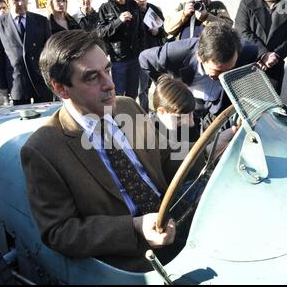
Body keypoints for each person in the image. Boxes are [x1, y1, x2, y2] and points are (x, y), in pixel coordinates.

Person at [21, 30, 187, 272]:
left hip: (176, 220)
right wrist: (135, 227)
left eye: (108, 69)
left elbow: (166, 155)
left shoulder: (128, 107)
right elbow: (60, 232)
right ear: (61, 88)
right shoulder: (42, 150)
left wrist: (215, 146)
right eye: (91, 77)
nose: (109, 84)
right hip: (130, 260)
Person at [139, 22, 258, 140]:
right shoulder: (175, 53)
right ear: (199, 57)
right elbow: (145, 59)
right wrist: (171, 89)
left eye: (229, 69)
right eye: (217, 71)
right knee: (184, 145)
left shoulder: (247, 52)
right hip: (188, 107)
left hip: (218, 106)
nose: (223, 76)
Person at [0, 0, 52, 105]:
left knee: (46, 119)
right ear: (7, 1)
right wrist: (3, 86)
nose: (20, 3)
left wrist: (53, 77)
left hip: (41, 80)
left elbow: (50, 52)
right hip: (17, 83)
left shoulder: (41, 21)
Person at [235, 0, 287, 95]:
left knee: (271, 107)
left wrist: (274, 56)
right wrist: (263, 54)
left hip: (274, 65)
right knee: (245, 102)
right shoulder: (246, 4)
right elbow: (242, 32)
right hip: (249, 63)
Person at [97, 0, 145, 99]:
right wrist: (119, 21)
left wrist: (141, 51)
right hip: (118, 60)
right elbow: (101, 33)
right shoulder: (105, 8)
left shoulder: (133, 4)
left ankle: (131, 116)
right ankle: (117, 117)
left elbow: (141, 30)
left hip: (135, 58)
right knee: (117, 95)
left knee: (132, 95)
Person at [133, 0, 167, 112]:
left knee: (161, 87)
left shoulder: (154, 10)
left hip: (157, 56)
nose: (142, 0)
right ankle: (144, 114)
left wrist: (158, 31)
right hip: (142, 57)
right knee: (142, 90)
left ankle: (162, 113)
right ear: (134, 0)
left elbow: (166, 29)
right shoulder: (133, 13)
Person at [164, 0, 232, 40]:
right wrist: (184, 14)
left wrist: (206, 17)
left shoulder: (217, 6)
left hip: (209, 49)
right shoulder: (184, 6)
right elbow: (168, 28)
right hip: (185, 48)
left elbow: (228, 26)